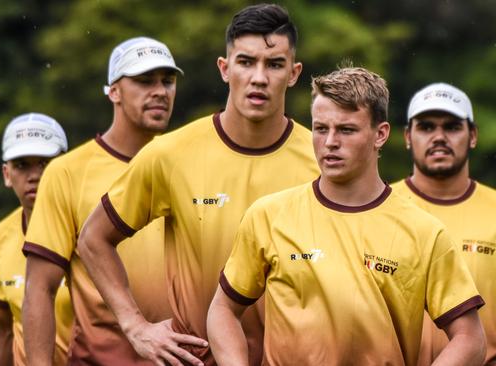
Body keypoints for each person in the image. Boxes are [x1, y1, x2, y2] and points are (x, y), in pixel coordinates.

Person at [77, 4, 319, 366]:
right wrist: (135, 326)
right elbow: (93, 240)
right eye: (245, 62)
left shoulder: (322, 161)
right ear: (224, 69)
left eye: (274, 64)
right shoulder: (170, 155)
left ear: (294, 73)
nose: (259, 77)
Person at [207, 67, 487, 366]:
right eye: (320, 128)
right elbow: (222, 310)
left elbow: (470, 338)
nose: (329, 142)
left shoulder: (424, 232)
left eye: (346, 130)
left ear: (380, 134)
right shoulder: (268, 216)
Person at [22, 36, 182, 365]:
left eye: (167, 81)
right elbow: (40, 289)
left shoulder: (187, 162)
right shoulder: (66, 172)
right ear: (113, 91)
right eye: (143, 81)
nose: (159, 91)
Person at [392, 82, 496, 365]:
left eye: (451, 127)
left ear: (472, 136)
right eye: (425, 127)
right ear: (407, 137)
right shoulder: (381, 208)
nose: (439, 137)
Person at [0, 113, 71, 365]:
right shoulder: (0, 237)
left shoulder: (92, 231)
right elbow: (2, 328)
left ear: (66, 166)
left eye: (44, 163)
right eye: (22, 165)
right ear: (6, 174)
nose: (34, 175)